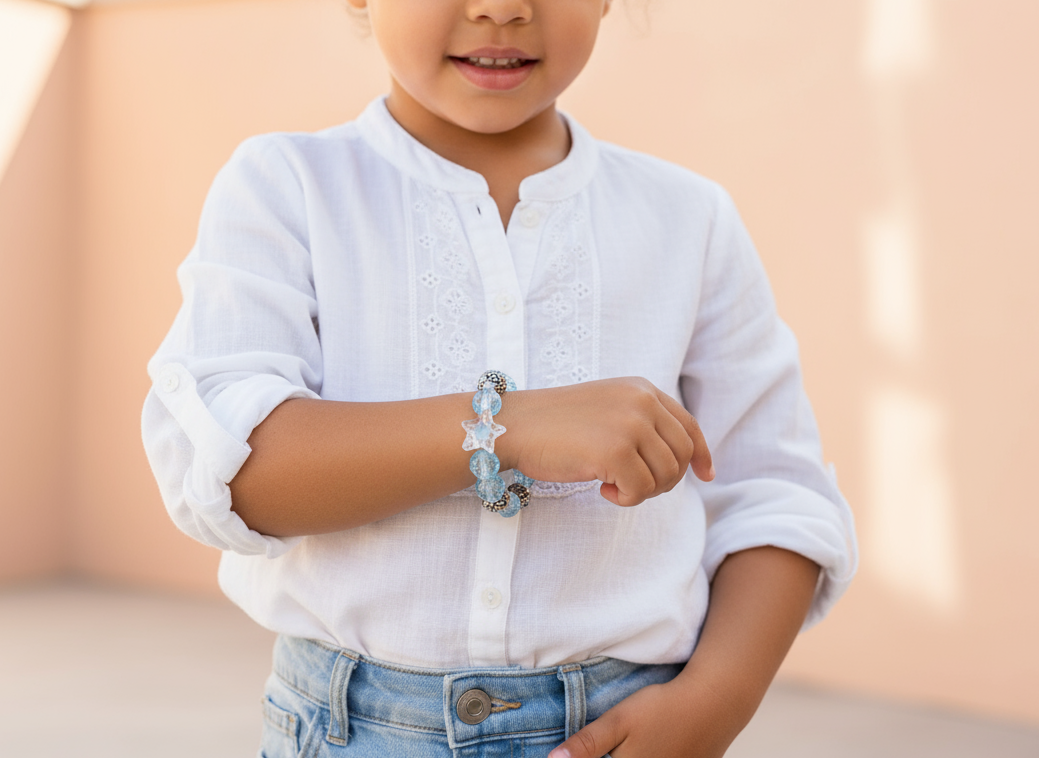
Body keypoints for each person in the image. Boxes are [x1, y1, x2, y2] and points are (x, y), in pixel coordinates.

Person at [142, 0, 857, 756]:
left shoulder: (688, 219)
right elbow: (233, 470)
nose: (502, 8)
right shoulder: (286, 186)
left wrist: (713, 705)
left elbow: (776, 497)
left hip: (624, 727)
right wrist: (507, 427)